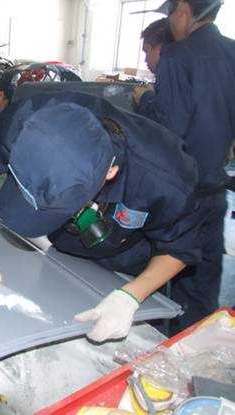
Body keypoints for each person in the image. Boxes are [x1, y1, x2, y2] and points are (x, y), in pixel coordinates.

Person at [0, 91, 209, 343]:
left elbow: (180, 247)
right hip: (63, 251)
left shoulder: (165, 179)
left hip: (127, 262)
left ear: (110, 173)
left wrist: (130, 296)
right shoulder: (32, 122)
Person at [133, 0, 235, 332]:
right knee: (206, 280)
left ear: (183, 10)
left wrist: (145, 100)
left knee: (172, 276)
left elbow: (170, 130)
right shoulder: (231, 51)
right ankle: (200, 344)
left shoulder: (178, 55)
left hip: (183, 193)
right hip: (216, 187)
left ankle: (166, 345)